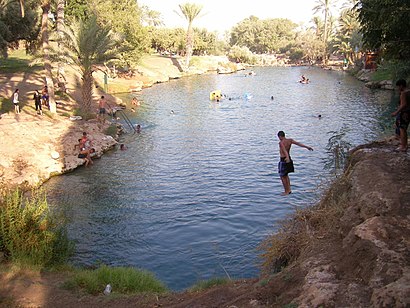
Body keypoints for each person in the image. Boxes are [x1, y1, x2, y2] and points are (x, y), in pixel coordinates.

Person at [277, 131, 313, 195]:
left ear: (280, 136)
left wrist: (287, 157)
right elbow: (298, 144)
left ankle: (286, 191)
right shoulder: (290, 140)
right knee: (286, 175)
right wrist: (307, 147)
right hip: (289, 158)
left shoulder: (281, 143)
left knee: (282, 176)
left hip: (284, 159)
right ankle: (289, 190)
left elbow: (284, 150)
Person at [392, 79, 410, 152]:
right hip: (409, 113)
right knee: (404, 130)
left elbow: (403, 104)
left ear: (401, 85)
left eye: (398, 86)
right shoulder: (409, 91)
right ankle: (405, 145)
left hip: (404, 113)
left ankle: (403, 146)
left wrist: (396, 112)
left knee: (402, 130)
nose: (397, 88)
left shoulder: (403, 93)